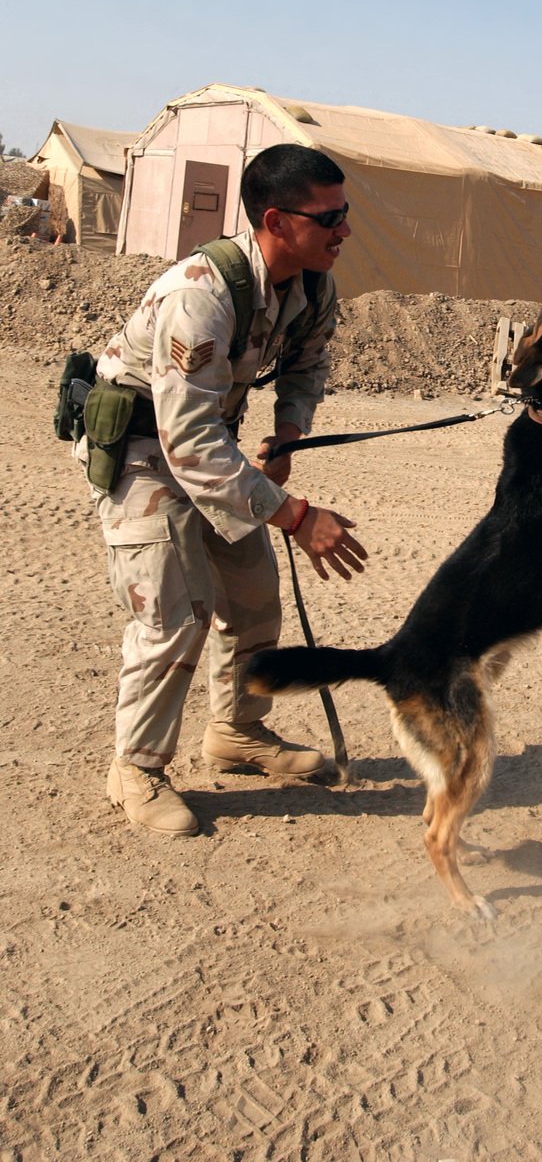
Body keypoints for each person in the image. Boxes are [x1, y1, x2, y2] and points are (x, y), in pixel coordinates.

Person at [87, 144, 367, 837]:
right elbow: (186, 445)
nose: (344, 229)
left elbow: (308, 364)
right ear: (276, 219)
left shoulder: (311, 284)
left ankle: (237, 733)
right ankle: (136, 769)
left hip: (203, 440)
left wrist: (290, 430)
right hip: (141, 453)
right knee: (174, 613)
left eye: (346, 211)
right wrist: (296, 517)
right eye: (329, 216)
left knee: (250, 595)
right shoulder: (200, 295)